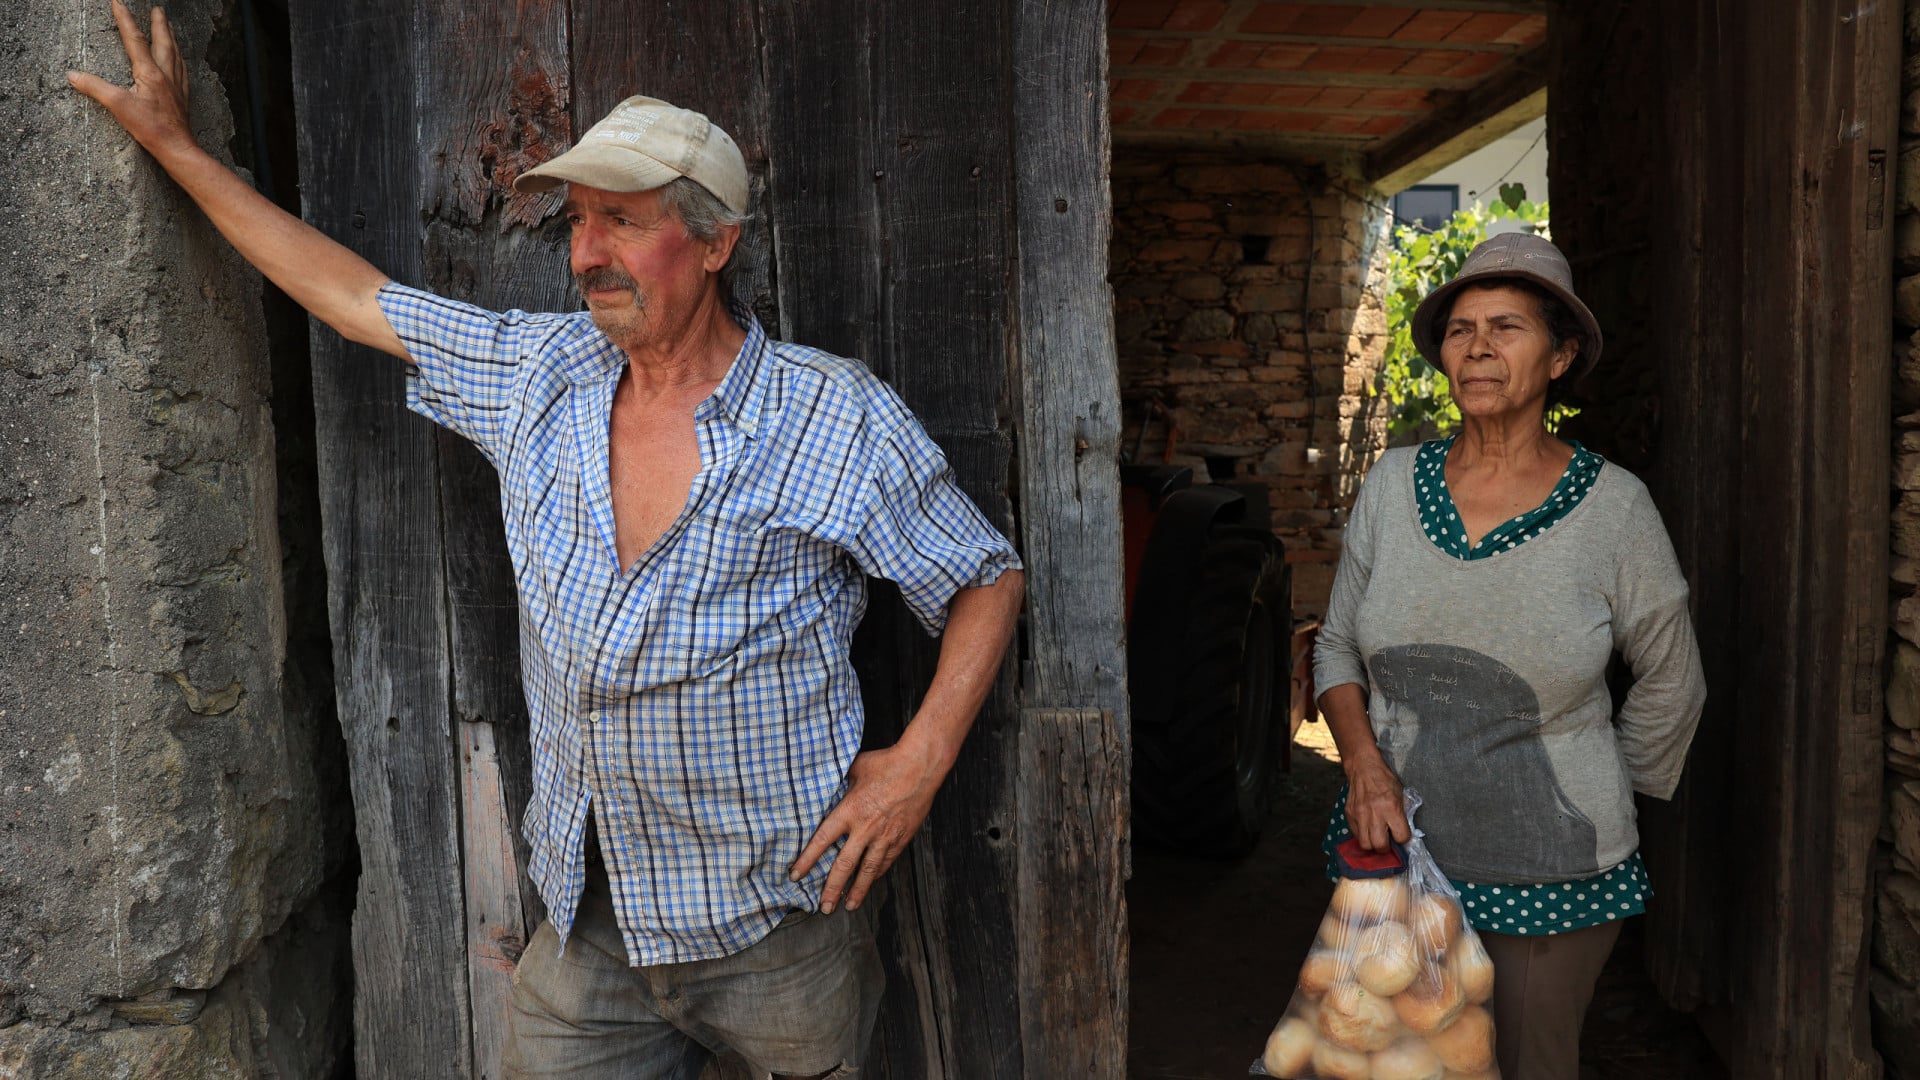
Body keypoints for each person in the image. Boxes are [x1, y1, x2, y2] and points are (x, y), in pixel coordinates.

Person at [69, 5, 1025, 1078]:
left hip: (779, 921)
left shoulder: (835, 417)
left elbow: (984, 577)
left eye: (622, 221)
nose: (585, 254)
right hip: (590, 924)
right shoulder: (540, 375)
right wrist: (179, 149)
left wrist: (919, 762)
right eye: (577, 222)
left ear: (715, 243)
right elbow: (348, 296)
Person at [1313, 231, 1706, 1080]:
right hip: (1399, 855)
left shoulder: (1614, 511)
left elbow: (1673, 678)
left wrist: (1592, 794)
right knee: (1394, 1065)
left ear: (1561, 358)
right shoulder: (1390, 486)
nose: (1478, 346)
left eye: (1507, 327)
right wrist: (1363, 769)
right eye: (1460, 329)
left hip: (1552, 881)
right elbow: (1339, 642)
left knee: (1527, 1065)